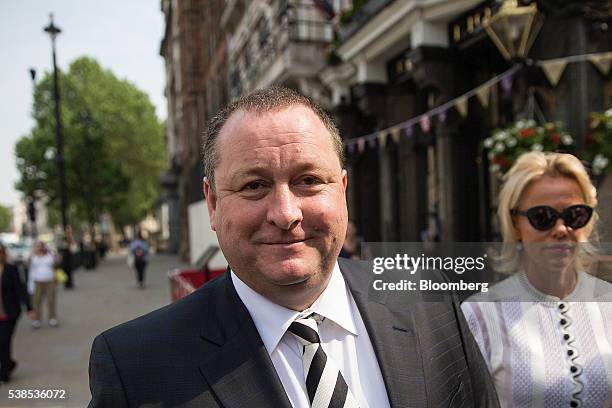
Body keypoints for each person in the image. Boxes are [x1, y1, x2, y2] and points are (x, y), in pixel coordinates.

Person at [88, 87, 499, 407]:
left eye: (308, 181)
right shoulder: (137, 366)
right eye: (254, 185)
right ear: (213, 203)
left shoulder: (431, 304)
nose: (286, 214)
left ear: (341, 189)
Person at [462, 151, 612, 408]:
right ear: (515, 223)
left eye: (575, 215)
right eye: (542, 217)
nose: (561, 229)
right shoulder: (480, 316)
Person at [0, 244, 34, 382]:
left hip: (8, 313)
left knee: (4, 341)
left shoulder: (10, 269)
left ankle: (4, 374)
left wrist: (29, 308)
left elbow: (20, 288)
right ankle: (8, 363)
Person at [28, 241, 59, 328]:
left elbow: (56, 262)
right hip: (37, 281)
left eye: (41, 246)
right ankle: (37, 319)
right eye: (38, 246)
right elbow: (28, 262)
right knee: (36, 301)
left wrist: (51, 252)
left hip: (49, 281)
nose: (40, 248)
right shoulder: (33, 256)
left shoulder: (49, 255)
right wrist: (33, 251)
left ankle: (52, 317)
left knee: (51, 300)